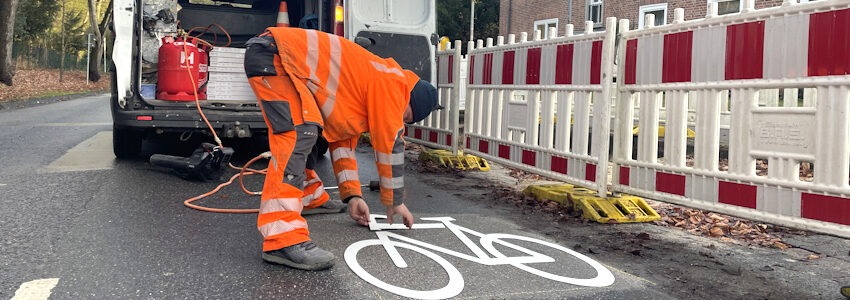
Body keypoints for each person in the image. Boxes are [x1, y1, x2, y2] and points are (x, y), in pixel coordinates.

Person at [243, 27, 440, 271]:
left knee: (308, 131)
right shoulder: (394, 82)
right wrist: (394, 201)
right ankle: (282, 238)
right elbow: (390, 143)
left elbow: (343, 145)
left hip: (278, 56)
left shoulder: (368, 89)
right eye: (406, 118)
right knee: (298, 135)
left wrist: (353, 196)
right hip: (276, 56)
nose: (401, 121)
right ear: (411, 102)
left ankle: (308, 196)